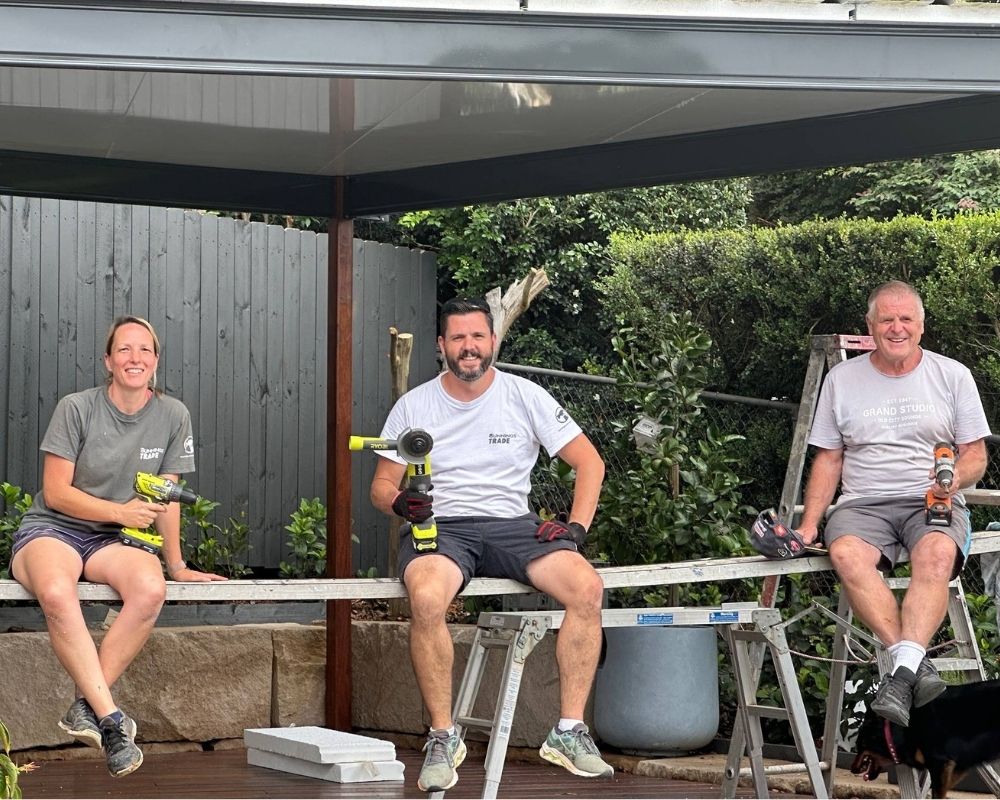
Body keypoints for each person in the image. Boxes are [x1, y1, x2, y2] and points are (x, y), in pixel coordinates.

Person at [369, 297, 613, 792]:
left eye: (477, 336)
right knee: (427, 598)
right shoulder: (412, 405)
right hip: (443, 525)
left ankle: (568, 731)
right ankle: (442, 736)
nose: (469, 347)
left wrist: (578, 531)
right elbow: (381, 486)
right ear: (441, 347)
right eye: (458, 338)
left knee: (586, 587)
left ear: (493, 341)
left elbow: (591, 463)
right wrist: (403, 506)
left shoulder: (526, 396)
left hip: (513, 526)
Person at [9, 315, 227, 777]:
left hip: (113, 539)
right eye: (124, 350)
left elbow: (165, 499)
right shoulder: (76, 407)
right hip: (54, 528)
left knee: (150, 590)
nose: (135, 358)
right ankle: (110, 719)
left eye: (144, 350)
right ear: (108, 360)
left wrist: (177, 564)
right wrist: (121, 512)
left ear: (156, 360)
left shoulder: (173, 415)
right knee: (54, 591)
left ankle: (86, 708)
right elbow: (56, 493)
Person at [797, 281, 991, 728]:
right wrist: (809, 527)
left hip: (932, 500)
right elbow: (828, 458)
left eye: (906, 319)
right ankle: (912, 668)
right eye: (886, 319)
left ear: (921, 326)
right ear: (870, 327)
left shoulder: (952, 375)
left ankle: (899, 676)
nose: (896, 328)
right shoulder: (842, 379)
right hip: (864, 503)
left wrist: (954, 479)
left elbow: (976, 455)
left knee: (938, 552)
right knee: (845, 552)